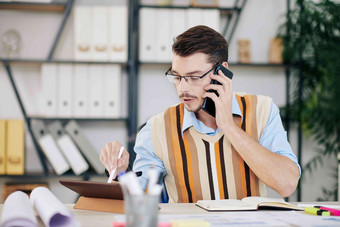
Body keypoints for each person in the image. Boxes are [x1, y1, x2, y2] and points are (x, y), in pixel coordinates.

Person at [100, 25, 300, 203]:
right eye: (177, 77)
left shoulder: (262, 110)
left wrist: (229, 126)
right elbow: (140, 198)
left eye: (194, 77)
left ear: (222, 72)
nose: (182, 89)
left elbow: (287, 184)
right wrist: (122, 173)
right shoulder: (156, 128)